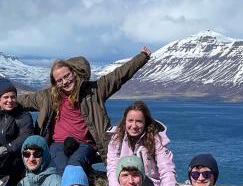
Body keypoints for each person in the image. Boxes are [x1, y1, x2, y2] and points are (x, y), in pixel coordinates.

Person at [16, 47, 152, 174]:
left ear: (74, 73)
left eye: (67, 76)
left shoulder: (95, 91)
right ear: (55, 83)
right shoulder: (48, 97)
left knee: (75, 166)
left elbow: (119, 75)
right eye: (59, 80)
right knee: (59, 167)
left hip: (84, 145)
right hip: (57, 144)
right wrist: (0, 101)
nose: (65, 82)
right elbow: (24, 100)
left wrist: (142, 57)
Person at [105, 101, 175, 186]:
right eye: (130, 120)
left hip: (149, 185)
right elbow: (112, 167)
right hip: (123, 184)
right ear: (125, 121)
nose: (134, 125)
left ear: (145, 122)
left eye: (139, 121)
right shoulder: (116, 139)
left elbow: (166, 169)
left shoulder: (156, 140)